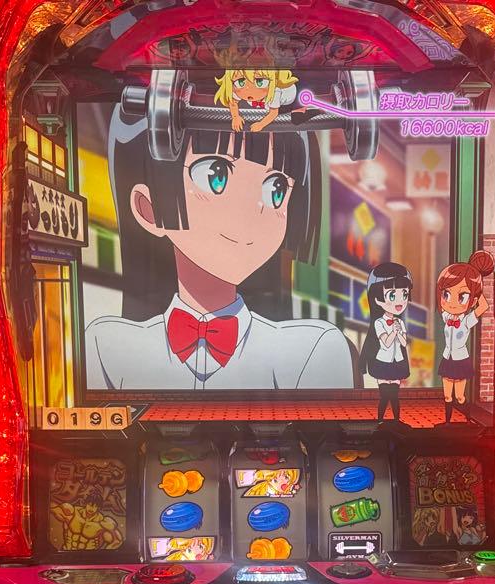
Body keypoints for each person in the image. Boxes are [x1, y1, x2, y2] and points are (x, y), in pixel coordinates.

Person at [84, 103, 353, 391]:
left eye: (276, 188)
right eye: (216, 176)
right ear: (149, 209)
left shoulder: (312, 350)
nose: (251, 212)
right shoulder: (106, 344)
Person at [436, 251, 494, 423]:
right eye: (446, 294)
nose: (452, 302)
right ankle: (447, 422)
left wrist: (476, 286)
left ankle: (468, 420)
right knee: (447, 396)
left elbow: (483, 306)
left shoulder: (467, 320)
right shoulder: (446, 316)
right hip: (447, 358)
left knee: (460, 396)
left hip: (461, 359)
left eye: (462, 296)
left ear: (472, 300)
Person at [359, 262, 413, 422]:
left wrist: (400, 333)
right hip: (382, 362)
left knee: (394, 397)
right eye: (392, 295)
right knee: (384, 396)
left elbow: (403, 343)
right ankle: (380, 420)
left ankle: (396, 421)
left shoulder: (400, 322)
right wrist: (394, 331)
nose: (400, 301)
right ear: (376, 299)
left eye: (404, 294)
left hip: (397, 362)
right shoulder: (379, 323)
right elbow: (387, 343)